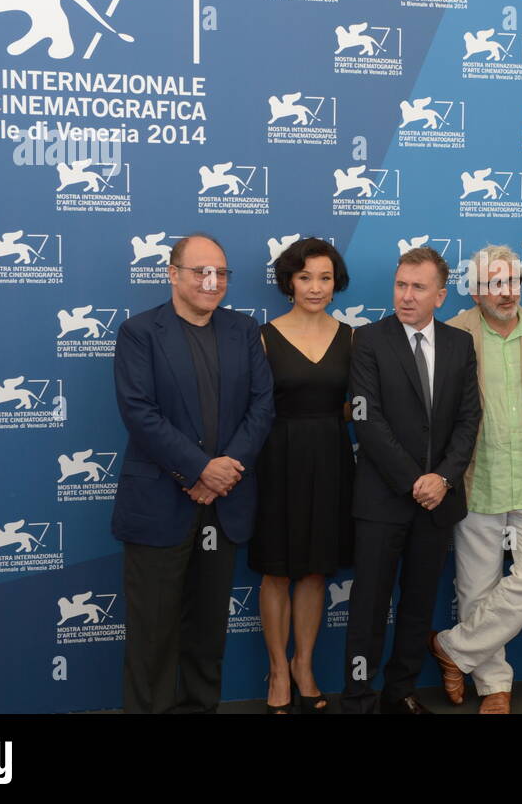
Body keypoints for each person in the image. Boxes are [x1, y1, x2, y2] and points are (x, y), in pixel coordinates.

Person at [111, 233, 274, 713]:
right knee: (152, 637)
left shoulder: (244, 331)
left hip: (224, 505)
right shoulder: (140, 333)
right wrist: (201, 470)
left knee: (207, 633)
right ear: (172, 274)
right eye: (201, 271)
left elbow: (262, 408)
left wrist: (223, 475)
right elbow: (140, 413)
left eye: (221, 273)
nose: (212, 281)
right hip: (160, 504)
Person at [341, 246, 481, 714]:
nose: (406, 295)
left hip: (438, 501)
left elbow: (468, 418)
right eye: (401, 285)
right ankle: (360, 698)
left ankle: (399, 692)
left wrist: (441, 478)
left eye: (418, 287)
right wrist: (414, 480)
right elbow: (367, 419)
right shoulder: (368, 340)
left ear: (440, 295)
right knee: (368, 608)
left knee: (419, 603)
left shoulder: (460, 344)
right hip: (383, 500)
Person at [428, 245, 522, 715]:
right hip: (475, 475)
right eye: (494, 283)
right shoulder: (455, 332)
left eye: (512, 282)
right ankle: (494, 687)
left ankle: (453, 647)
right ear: (476, 289)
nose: (505, 292)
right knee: (476, 586)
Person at [248, 238, 354, 713]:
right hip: (277, 459)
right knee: (276, 569)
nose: (315, 287)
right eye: (305, 277)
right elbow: (251, 409)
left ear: (337, 283)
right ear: (289, 281)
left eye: (325, 278)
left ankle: (304, 665)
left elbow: (356, 408)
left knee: (314, 569)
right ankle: (276, 668)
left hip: (330, 457)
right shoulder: (263, 337)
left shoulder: (353, 337)